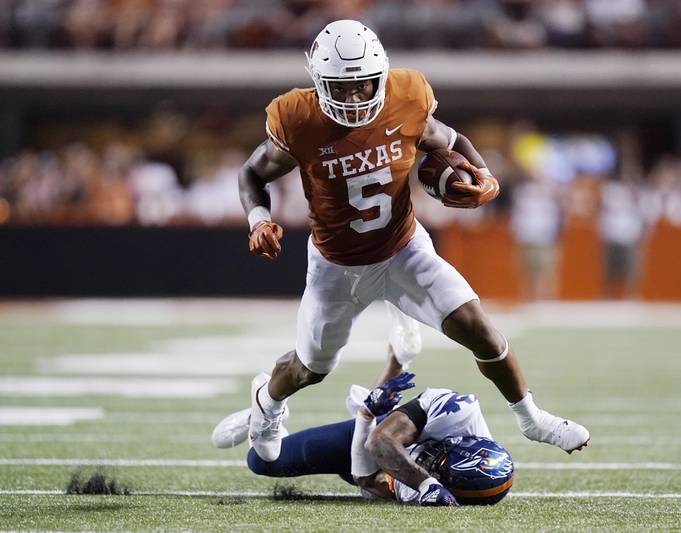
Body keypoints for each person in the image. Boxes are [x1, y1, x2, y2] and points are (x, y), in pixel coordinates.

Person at [238, 19, 590, 464]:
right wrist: (258, 219)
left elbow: (451, 138)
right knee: (311, 369)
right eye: (340, 88)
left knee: (478, 328)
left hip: (404, 249)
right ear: (318, 82)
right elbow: (253, 172)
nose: (352, 97)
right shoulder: (298, 117)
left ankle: (531, 418)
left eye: (363, 86)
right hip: (337, 266)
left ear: (381, 76)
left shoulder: (407, 98)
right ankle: (267, 404)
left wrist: (482, 174)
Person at [212, 372, 514, 507]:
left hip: (370, 462)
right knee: (264, 462)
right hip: (387, 433)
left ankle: (257, 417)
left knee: (359, 471)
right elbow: (379, 442)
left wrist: (363, 417)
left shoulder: (440, 491)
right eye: (437, 462)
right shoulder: (460, 412)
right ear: (459, 442)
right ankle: (266, 410)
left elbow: (366, 478)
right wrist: (372, 415)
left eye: (435, 472)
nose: (429, 464)